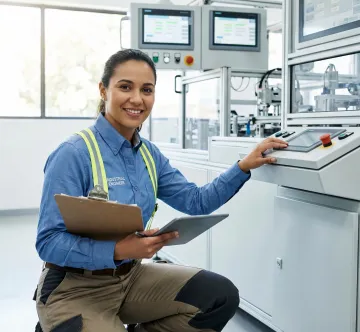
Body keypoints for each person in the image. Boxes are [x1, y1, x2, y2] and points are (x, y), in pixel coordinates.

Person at [34, 49, 288, 332]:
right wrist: (118, 249)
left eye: (147, 89)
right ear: (103, 90)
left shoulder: (148, 155)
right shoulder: (73, 154)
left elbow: (196, 201)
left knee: (219, 295)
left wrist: (243, 166)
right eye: (125, 87)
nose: (137, 99)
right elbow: (48, 243)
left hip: (131, 279)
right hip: (74, 288)